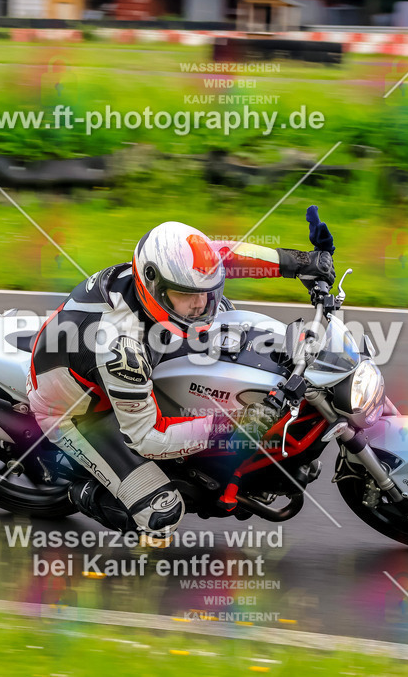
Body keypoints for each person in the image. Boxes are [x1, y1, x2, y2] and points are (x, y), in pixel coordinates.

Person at [25, 206, 335, 544]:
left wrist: (303, 263)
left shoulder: (172, 271)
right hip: (80, 412)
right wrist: (232, 425)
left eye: (206, 291)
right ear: (155, 285)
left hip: (134, 354)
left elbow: (226, 256)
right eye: (188, 294)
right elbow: (147, 436)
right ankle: (78, 491)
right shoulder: (120, 349)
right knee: (161, 513)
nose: (202, 304)